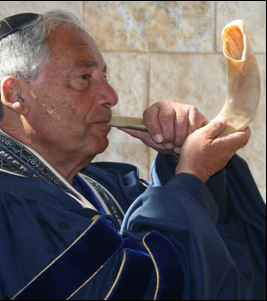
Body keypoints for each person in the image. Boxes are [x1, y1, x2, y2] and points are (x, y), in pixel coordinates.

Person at [0, 10, 265, 300]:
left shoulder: (104, 185)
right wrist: (190, 180)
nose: (111, 95)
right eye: (84, 76)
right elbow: (141, 287)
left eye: (105, 75)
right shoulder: (9, 209)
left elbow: (221, 265)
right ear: (15, 95)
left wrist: (182, 162)